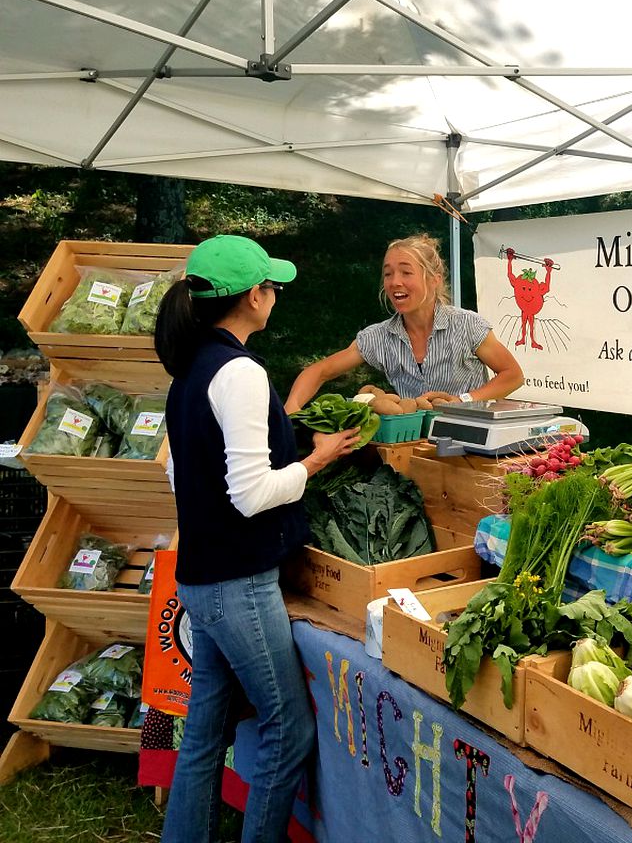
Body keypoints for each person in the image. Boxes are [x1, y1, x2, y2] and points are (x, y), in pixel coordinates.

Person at [155, 235, 360, 843]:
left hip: (200, 577)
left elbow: (177, 472)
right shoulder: (238, 370)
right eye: (271, 286)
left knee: (203, 731)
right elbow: (250, 494)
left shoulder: (190, 366)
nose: (275, 296)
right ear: (253, 296)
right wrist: (317, 460)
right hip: (237, 585)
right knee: (287, 728)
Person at [285, 233, 523, 412]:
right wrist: (289, 413)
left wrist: (464, 399)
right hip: (410, 452)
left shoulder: (467, 325)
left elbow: (512, 375)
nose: (394, 282)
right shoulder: (378, 337)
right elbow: (318, 372)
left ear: (433, 280)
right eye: (388, 273)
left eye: (406, 272)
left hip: (470, 446)